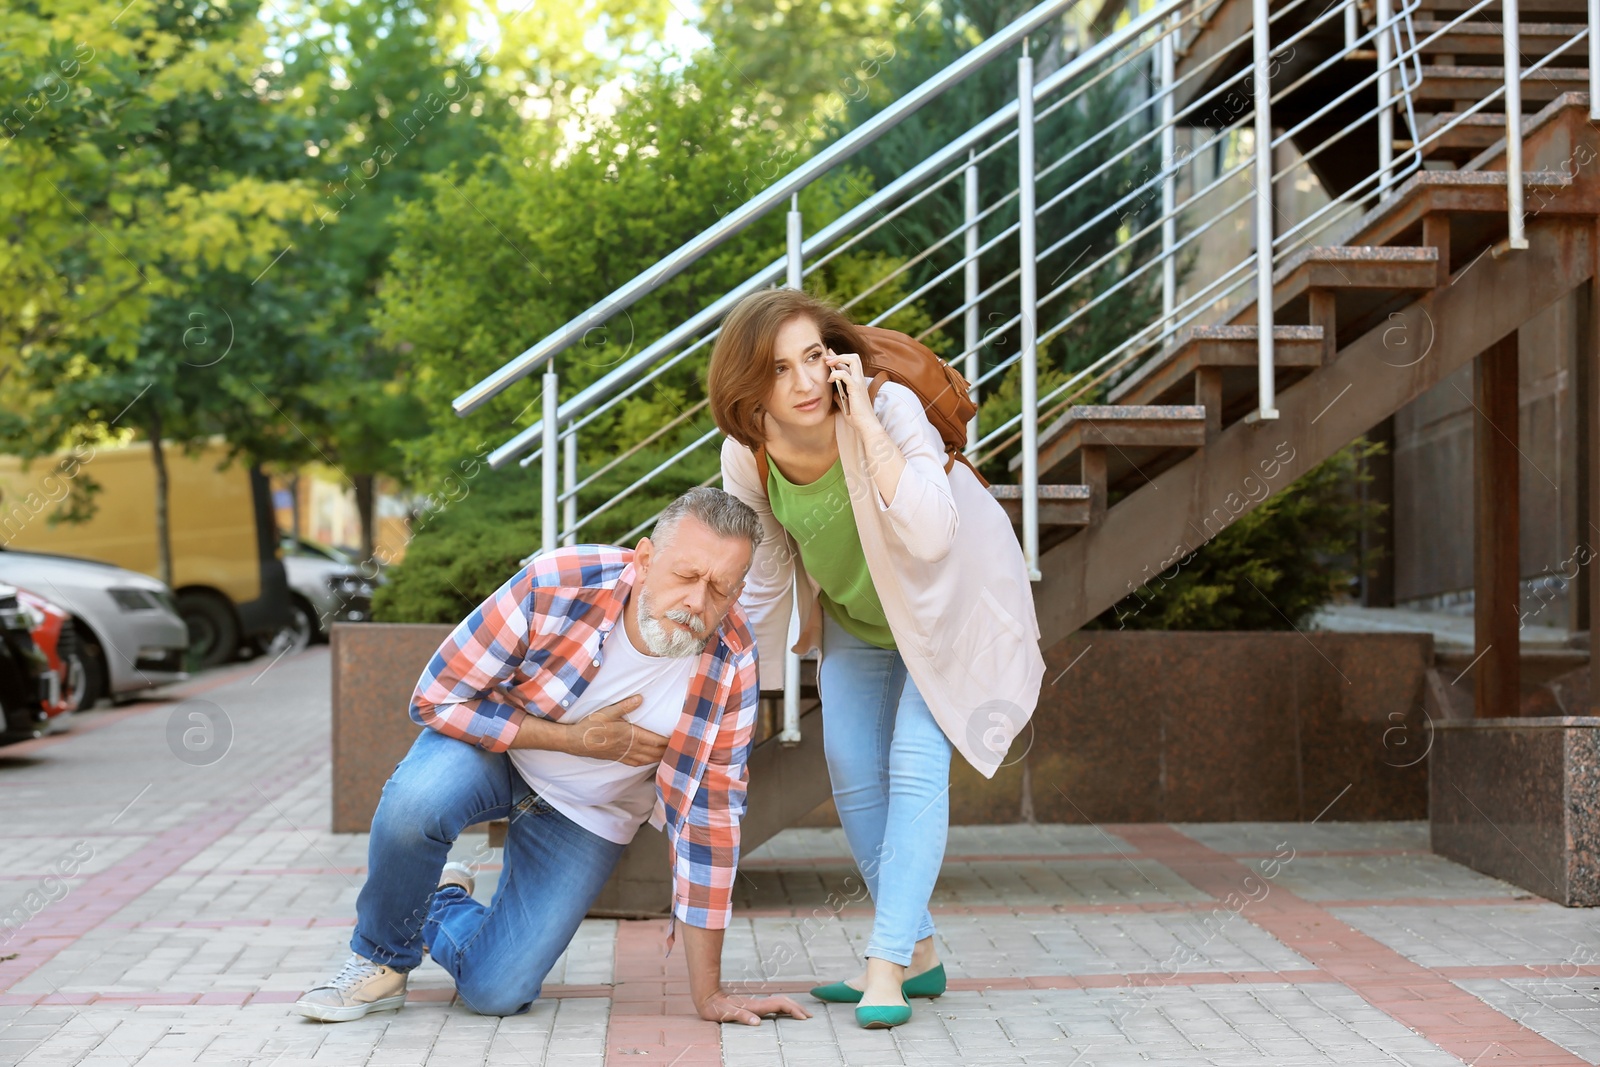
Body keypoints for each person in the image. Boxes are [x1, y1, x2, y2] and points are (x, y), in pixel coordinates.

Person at [293, 487, 811, 1027]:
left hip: (586, 812)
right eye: (686, 576)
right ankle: (380, 961)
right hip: (497, 753)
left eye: (721, 589)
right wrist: (572, 740)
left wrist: (710, 996)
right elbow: (436, 695)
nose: (697, 603)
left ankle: (441, 898)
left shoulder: (733, 659)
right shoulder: (557, 583)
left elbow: (712, 819)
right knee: (414, 803)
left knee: (498, 992)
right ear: (645, 558)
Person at [709, 289, 1045, 1029]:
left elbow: (929, 535)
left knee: (918, 766)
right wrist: (732, 703)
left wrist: (864, 417)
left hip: (951, 614)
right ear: (746, 385)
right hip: (860, 619)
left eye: (813, 358)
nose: (803, 383)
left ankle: (885, 965)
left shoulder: (887, 412)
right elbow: (764, 581)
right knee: (855, 774)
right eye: (778, 367)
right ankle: (921, 956)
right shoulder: (749, 453)